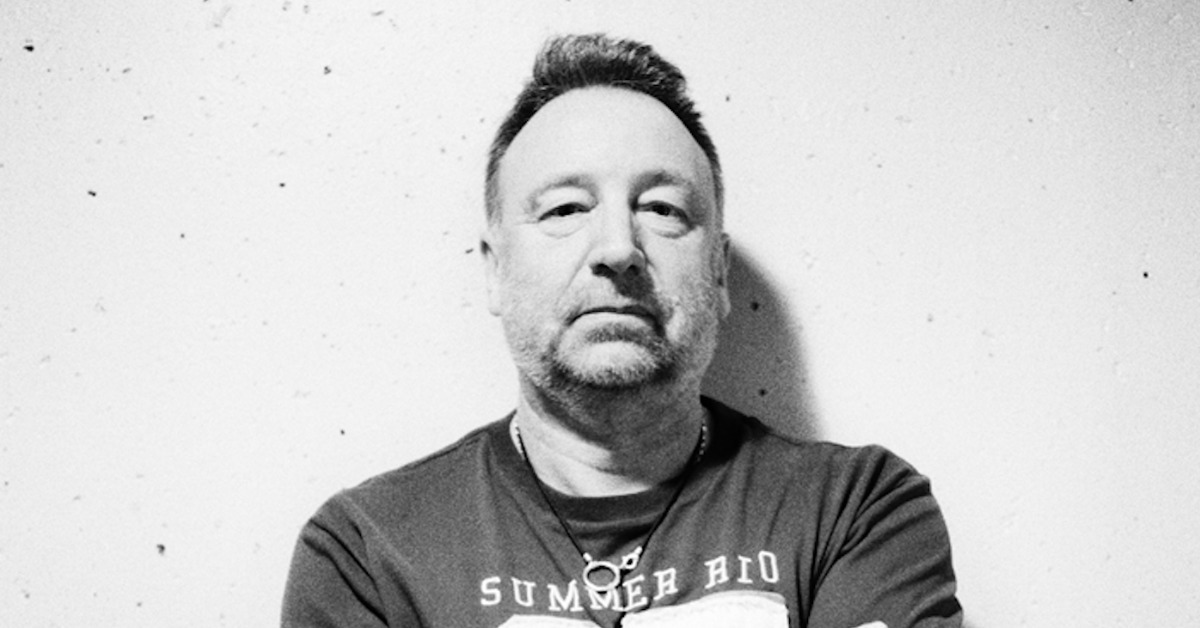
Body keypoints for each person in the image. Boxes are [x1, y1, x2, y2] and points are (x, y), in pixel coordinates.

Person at [282, 34, 961, 628]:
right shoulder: (367, 552)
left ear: (718, 271)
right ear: (494, 270)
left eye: (662, 209)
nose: (618, 247)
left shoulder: (856, 510)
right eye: (565, 209)